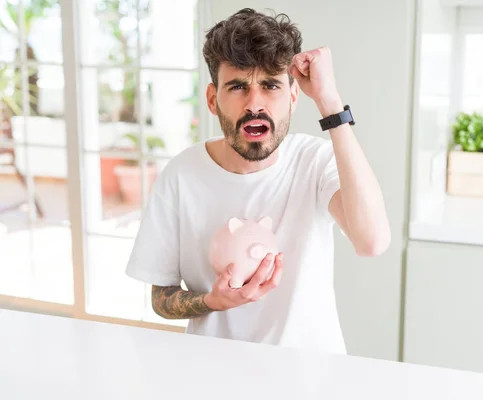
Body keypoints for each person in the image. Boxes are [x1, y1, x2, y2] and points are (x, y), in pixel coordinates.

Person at [125, 8, 390, 355]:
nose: (255, 104)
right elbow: (160, 298)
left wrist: (330, 104)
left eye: (271, 85)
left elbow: (371, 242)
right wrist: (213, 300)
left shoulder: (316, 161)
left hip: (312, 378)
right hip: (214, 374)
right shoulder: (180, 175)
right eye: (237, 86)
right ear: (211, 99)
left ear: (294, 98)